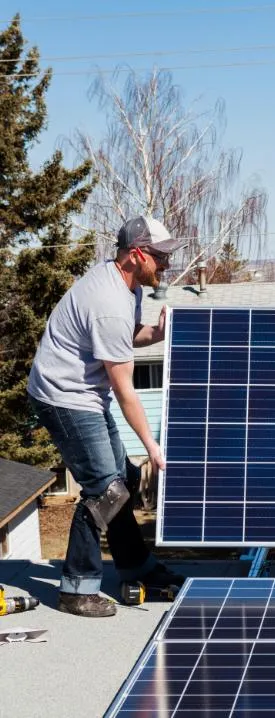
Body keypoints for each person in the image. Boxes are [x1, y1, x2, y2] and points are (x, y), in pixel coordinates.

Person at [28, 217, 187, 617]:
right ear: (136, 255)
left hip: (85, 394)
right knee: (106, 490)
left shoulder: (123, 285)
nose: (166, 264)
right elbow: (125, 389)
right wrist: (153, 447)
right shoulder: (109, 303)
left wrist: (158, 332)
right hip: (64, 398)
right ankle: (75, 589)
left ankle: (137, 567)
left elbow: (124, 336)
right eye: (160, 256)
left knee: (125, 480)